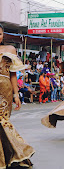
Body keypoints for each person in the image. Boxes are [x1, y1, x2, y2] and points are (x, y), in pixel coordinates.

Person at [0, 24, 34, 168]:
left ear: (3, 35)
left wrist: (16, 95)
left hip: (5, 89)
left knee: (3, 121)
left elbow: (13, 74)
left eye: (0, 33)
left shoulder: (10, 49)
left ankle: (16, 154)